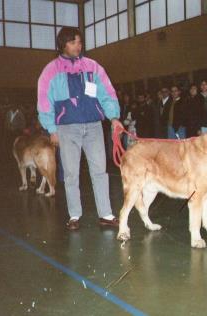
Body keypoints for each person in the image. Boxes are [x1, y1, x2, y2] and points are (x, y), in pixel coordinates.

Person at [37, 27, 122, 230]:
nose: (78, 46)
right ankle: (74, 215)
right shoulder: (51, 71)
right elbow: (44, 102)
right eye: (73, 42)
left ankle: (106, 214)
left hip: (93, 126)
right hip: (67, 129)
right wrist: (52, 129)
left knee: (100, 170)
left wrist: (114, 117)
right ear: (62, 44)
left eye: (80, 42)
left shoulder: (93, 67)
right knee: (71, 173)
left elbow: (107, 93)